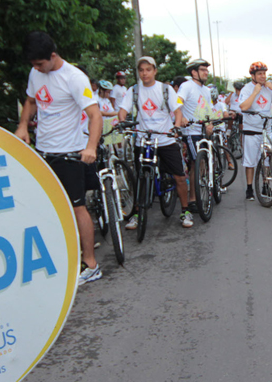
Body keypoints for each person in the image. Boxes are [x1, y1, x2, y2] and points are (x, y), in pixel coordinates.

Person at [15, 31, 103, 285]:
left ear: (53, 56)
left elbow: (95, 115)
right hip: (44, 151)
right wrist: (23, 126)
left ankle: (91, 264)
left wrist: (91, 147)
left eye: (40, 64)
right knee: (49, 207)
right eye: (33, 65)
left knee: (77, 208)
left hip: (70, 153)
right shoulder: (36, 73)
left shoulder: (74, 78)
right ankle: (61, 256)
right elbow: (31, 100)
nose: (37, 68)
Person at [117, 56, 194, 228]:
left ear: (155, 71)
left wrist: (175, 127)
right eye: (141, 70)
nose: (144, 73)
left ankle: (185, 211)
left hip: (165, 139)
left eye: (148, 69)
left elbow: (177, 111)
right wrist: (122, 122)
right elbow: (123, 110)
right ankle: (136, 214)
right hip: (143, 141)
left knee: (179, 177)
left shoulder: (165, 89)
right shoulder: (134, 90)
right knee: (140, 179)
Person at [177, 59, 214, 212]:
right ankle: (192, 198)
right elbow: (177, 102)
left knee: (204, 162)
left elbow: (208, 109)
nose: (206, 72)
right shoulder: (186, 86)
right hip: (190, 132)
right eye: (203, 69)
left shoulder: (206, 90)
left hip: (202, 131)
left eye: (207, 70)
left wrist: (210, 122)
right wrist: (181, 118)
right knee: (195, 163)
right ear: (194, 72)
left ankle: (207, 187)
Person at [239, 62, 272, 201]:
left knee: (267, 159)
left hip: (266, 129)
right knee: (250, 161)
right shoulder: (247, 89)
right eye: (260, 74)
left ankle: (266, 186)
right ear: (253, 76)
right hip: (251, 130)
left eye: (264, 73)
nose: (263, 76)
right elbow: (243, 107)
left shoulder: (268, 88)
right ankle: (249, 189)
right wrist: (255, 92)